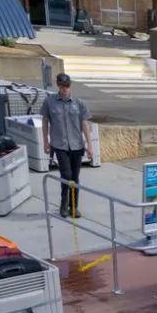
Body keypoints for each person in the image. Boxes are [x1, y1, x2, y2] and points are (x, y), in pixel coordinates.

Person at [42, 73, 93, 218]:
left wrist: (89, 145)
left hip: (76, 145)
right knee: (66, 175)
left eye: (67, 86)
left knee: (75, 177)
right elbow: (45, 122)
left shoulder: (79, 103)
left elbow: (84, 124)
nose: (64, 89)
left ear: (70, 86)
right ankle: (64, 204)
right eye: (62, 86)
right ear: (58, 86)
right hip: (60, 145)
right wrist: (46, 141)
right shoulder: (49, 102)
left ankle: (74, 206)